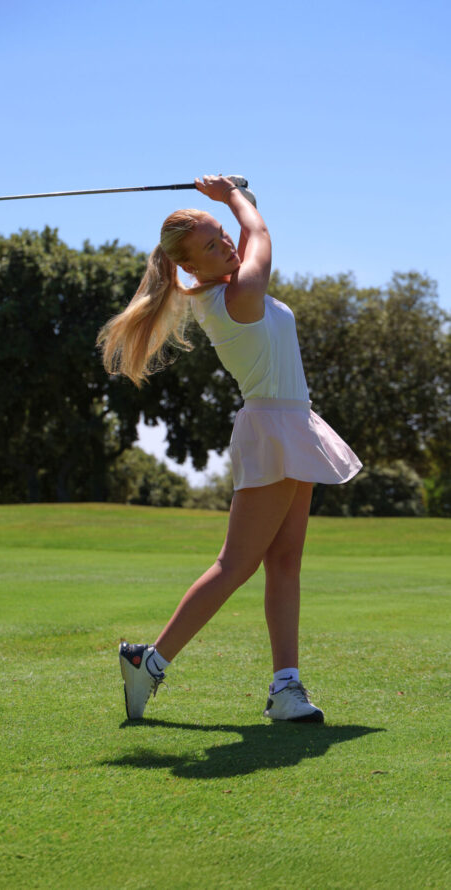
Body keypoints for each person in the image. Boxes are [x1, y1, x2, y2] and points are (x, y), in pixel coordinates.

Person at [97, 174, 362, 723]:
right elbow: (258, 232)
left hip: (290, 423)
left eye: (222, 235)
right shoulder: (237, 297)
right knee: (235, 564)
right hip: (274, 428)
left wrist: (234, 203)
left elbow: (245, 237)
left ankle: (285, 688)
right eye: (212, 245)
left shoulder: (227, 286)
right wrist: (232, 197)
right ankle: (150, 662)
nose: (226, 245)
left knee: (284, 561)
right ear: (191, 267)